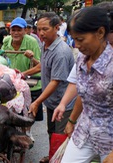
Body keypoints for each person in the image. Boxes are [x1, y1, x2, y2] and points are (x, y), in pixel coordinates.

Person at [51, 6, 113, 163]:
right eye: (74, 39)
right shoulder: (82, 58)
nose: (76, 45)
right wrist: (71, 119)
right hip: (84, 131)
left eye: (80, 39)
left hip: (110, 138)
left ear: (100, 33)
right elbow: (83, 91)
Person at [27, 12, 75, 163]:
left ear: (56, 28)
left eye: (45, 29)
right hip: (52, 101)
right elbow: (43, 66)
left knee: (60, 136)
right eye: (39, 29)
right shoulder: (45, 44)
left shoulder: (60, 51)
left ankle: (59, 159)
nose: (41, 33)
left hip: (64, 103)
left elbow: (55, 81)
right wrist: (23, 73)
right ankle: (53, 156)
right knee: (51, 132)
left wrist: (36, 102)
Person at [1, 17, 42, 140]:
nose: (16, 33)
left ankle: (28, 132)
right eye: (13, 30)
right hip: (12, 81)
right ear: (10, 31)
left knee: (29, 110)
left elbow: (40, 65)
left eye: (19, 30)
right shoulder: (6, 41)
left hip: (30, 80)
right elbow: (1, 57)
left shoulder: (32, 42)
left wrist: (31, 59)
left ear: (25, 31)